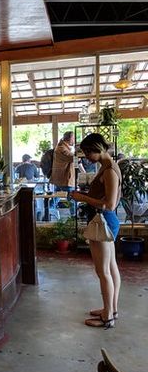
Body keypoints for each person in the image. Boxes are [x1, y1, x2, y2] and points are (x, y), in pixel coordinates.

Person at [70, 133, 122, 329]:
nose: (86, 157)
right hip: (106, 220)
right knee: (111, 268)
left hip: (103, 221)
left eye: (87, 153)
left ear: (97, 149)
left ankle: (107, 317)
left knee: (103, 271)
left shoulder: (109, 171)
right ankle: (111, 309)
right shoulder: (108, 166)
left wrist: (82, 198)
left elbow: (109, 204)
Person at [50, 131, 76, 216]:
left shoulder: (61, 146)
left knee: (55, 198)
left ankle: (47, 214)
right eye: (73, 138)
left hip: (60, 178)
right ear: (69, 139)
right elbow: (72, 158)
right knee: (72, 198)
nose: (74, 140)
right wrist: (79, 152)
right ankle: (73, 217)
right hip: (64, 178)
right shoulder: (61, 148)